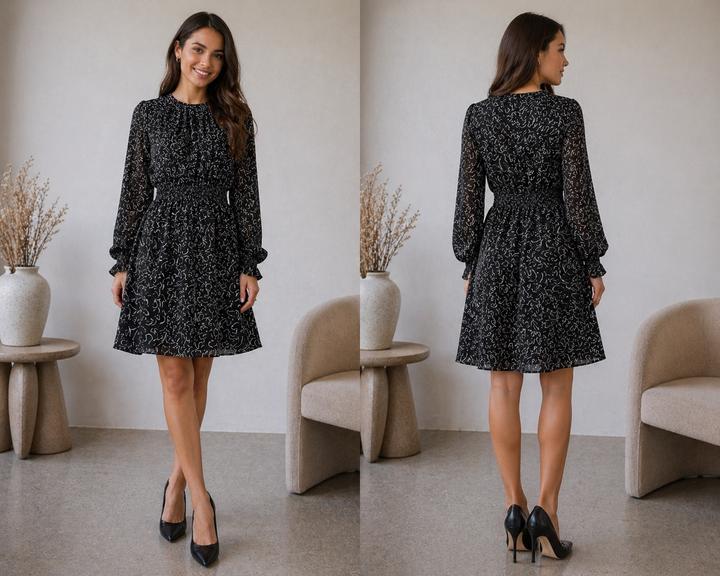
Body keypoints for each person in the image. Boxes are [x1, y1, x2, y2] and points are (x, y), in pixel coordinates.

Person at [108, 11, 268, 568]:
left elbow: (246, 196)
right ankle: (203, 502)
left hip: (216, 250)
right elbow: (134, 188)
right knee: (175, 376)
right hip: (160, 250)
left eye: (217, 54)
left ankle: (175, 484)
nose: (206, 62)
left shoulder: (236, 117)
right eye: (198, 49)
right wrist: (121, 261)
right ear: (178, 49)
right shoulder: (148, 114)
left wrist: (250, 264)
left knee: (198, 378)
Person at [452, 12, 608, 563]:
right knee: (556, 385)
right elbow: (578, 196)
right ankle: (548, 510)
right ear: (536, 51)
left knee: (502, 386)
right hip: (554, 247)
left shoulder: (479, 116)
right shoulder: (565, 113)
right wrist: (593, 261)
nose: (566, 60)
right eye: (560, 48)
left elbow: (468, 201)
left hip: (497, 249)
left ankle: (513, 509)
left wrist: (470, 263)